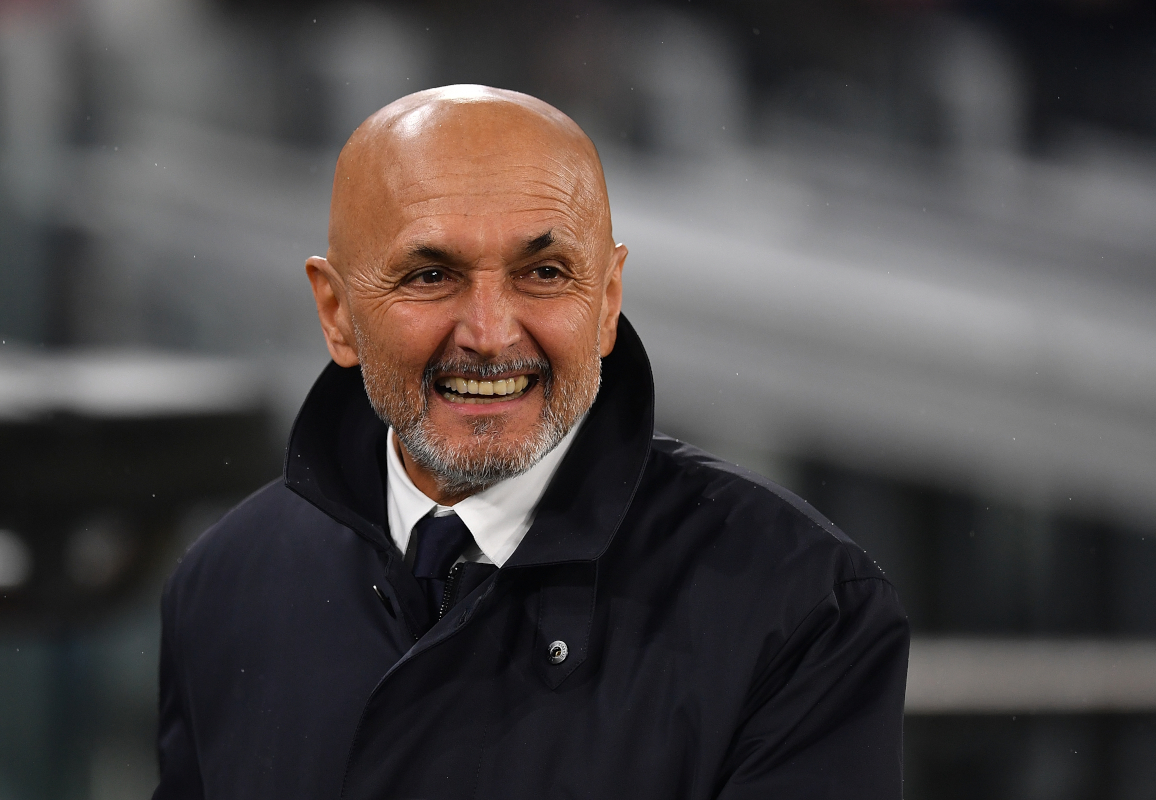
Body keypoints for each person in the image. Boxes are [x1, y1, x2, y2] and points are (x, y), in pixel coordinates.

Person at [153, 85, 909, 800]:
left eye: (543, 273)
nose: (489, 335)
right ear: (337, 311)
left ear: (607, 300)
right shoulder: (224, 584)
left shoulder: (799, 606)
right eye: (429, 275)